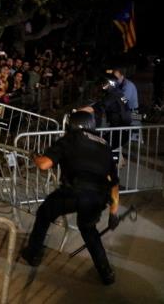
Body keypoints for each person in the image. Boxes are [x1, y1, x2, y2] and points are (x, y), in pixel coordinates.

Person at [21, 111, 120, 286]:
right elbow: (113, 183)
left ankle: (33, 253)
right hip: (97, 197)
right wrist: (114, 213)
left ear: (72, 126)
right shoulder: (105, 145)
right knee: (89, 229)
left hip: (73, 192)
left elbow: (44, 164)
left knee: (44, 214)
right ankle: (106, 273)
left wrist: (34, 157)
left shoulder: (70, 139)